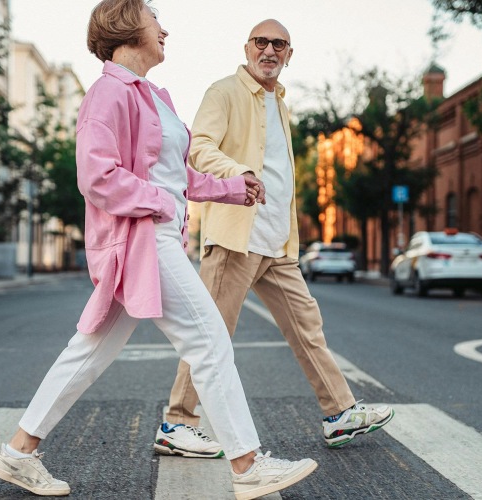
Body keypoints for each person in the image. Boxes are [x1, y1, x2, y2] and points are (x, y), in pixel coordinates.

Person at [0, 2, 317, 498]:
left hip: (153, 235)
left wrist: (231, 187)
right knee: (209, 344)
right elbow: (97, 176)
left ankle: (17, 453)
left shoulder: (151, 96)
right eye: (153, 18)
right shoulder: (107, 93)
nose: (164, 28)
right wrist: (161, 203)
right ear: (126, 27)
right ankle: (248, 467)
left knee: (89, 353)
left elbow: (173, 174)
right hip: (143, 238)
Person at [155, 19, 394, 458]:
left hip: (277, 242)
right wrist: (236, 172)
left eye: (279, 44)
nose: (269, 50)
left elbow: (281, 174)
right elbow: (199, 147)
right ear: (247, 48)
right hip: (236, 238)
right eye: (261, 42)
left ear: (289, 54)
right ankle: (177, 423)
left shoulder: (280, 103)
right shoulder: (223, 91)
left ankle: (339, 413)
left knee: (308, 327)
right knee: (211, 334)